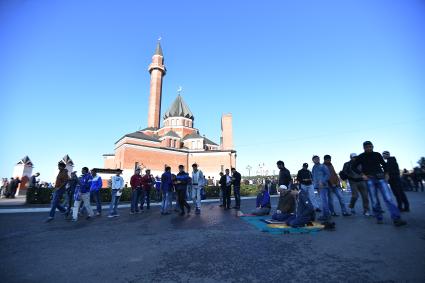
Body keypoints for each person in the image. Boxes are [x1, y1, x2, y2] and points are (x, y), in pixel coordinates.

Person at [352, 141, 406, 226]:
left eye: (370, 146)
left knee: (388, 198)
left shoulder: (377, 154)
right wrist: (362, 175)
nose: (369, 148)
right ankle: (379, 217)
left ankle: (396, 218)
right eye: (367, 147)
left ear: (373, 147)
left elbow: (384, 165)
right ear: (364, 148)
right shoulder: (361, 156)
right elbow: (353, 167)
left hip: (381, 178)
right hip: (370, 179)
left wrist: (387, 174)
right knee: (374, 200)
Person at [312, 155, 331, 221]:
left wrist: (322, 181)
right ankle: (326, 214)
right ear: (313, 160)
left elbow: (328, 175)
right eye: (315, 159)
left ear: (319, 159)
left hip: (323, 186)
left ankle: (326, 215)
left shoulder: (323, 166)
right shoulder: (314, 167)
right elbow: (313, 176)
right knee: (322, 200)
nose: (316, 160)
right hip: (317, 187)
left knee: (324, 201)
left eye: (317, 159)